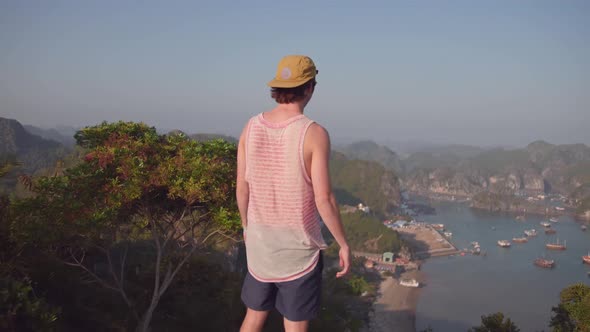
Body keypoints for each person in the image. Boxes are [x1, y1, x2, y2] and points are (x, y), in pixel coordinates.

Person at [236, 55, 351, 332]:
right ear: (310, 87)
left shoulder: (251, 126)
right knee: (295, 327)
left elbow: (242, 187)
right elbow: (324, 199)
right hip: (298, 251)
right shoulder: (313, 133)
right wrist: (343, 244)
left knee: (253, 317)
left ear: (278, 87)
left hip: (260, 246)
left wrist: (245, 227)